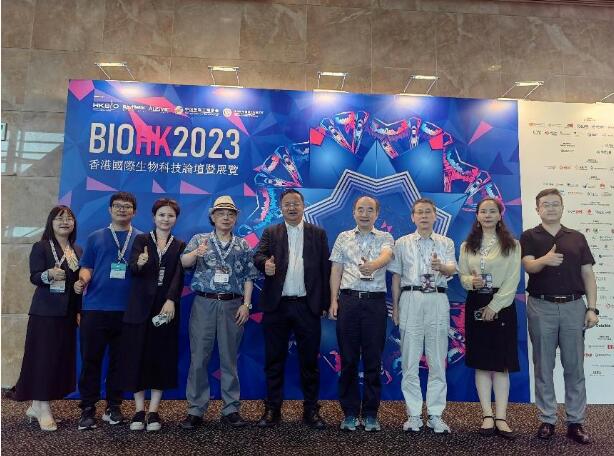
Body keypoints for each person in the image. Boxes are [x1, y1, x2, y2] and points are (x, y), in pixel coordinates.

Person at [520, 188, 598, 444]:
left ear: (562, 208)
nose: (551, 208)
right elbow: (529, 266)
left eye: (555, 204)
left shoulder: (577, 237)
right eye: (546, 204)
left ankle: (576, 422)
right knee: (543, 365)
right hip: (541, 306)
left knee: (574, 367)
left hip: (574, 307)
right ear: (538, 209)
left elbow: (588, 275)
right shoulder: (529, 236)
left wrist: (592, 308)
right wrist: (545, 259)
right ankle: (547, 419)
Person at [253, 189, 330, 429]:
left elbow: (325, 270)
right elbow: (258, 255)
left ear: (303, 206)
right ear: (281, 208)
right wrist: (264, 264)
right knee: (274, 359)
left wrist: (325, 303)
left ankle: (311, 410)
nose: (292, 207)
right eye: (287, 204)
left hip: (307, 306)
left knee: (309, 362)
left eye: (296, 203)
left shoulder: (317, 234)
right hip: (277, 306)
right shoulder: (271, 232)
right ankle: (272, 409)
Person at [179, 196, 257, 430]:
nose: (226, 217)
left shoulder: (243, 244)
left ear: (235, 218)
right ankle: (195, 409)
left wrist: (246, 304)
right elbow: (183, 262)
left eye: (230, 214)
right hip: (204, 302)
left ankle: (231, 408)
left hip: (233, 305)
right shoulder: (199, 239)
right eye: (221, 213)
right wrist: (197, 253)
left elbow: (249, 277)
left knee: (229, 358)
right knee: (199, 358)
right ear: (212, 217)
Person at [389, 198, 457, 434]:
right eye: (420, 212)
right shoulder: (402, 243)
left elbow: (452, 269)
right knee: (409, 360)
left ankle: (436, 414)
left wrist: (442, 267)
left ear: (435, 216)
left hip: (437, 298)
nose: (424, 216)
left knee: (437, 359)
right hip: (410, 298)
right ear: (413, 217)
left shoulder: (446, 242)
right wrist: (396, 307)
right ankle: (414, 415)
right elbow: (396, 276)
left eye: (428, 212)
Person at [74, 192, 141, 430]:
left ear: (134, 211)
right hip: (95, 308)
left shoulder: (142, 239)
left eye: (127, 206)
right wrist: (83, 280)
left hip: (128, 311)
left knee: (119, 362)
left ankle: (114, 406)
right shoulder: (95, 237)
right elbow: (87, 266)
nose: (122, 209)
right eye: (117, 206)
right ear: (110, 210)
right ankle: (87, 408)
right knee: (90, 360)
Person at [12, 206, 82, 431]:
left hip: (67, 314)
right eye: (59, 219)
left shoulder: (76, 250)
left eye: (69, 218)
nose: (65, 222)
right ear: (51, 223)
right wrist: (48, 274)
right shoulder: (41, 246)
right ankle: (43, 408)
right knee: (42, 359)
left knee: (57, 360)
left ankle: (36, 405)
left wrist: (78, 306)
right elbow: (34, 276)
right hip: (44, 314)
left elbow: (75, 283)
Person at [329, 196, 394, 432]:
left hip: (375, 304)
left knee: (373, 360)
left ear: (377, 214)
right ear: (353, 213)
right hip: (348, 302)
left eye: (370, 210)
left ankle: (370, 414)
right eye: (360, 209)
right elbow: (336, 269)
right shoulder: (343, 237)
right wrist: (333, 300)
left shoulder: (385, 237)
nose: (364, 214)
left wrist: (373, 265)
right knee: (348, 360)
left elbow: (387, 255)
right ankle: (349, 412)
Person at [120, 198, 186, 432]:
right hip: (139, 307)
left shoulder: (179, 244)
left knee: (161, 357)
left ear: (175, 219)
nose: (166, 219)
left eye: (170, 215)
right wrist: (140, 263)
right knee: (136, 356)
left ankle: (154, 411)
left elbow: (179, 275)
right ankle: (139, 410)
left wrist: (171, 300)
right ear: (154, 217)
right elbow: (132, 269)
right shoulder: (141, 240)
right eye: (162, 215)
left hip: (165, 307)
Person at [458, 198, 520, 439]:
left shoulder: (512, 245)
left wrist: (495, 306)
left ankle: (501, 417)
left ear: (500, 215)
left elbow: (513, 280)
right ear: (477, 215)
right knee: (482, 362)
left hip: (502, 304)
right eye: (483, 211)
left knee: (501, 364)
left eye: (492, 211)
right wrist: (470, 282)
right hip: (475, 301)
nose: (487, 215)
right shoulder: (467, 246)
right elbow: (463, 276)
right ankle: (486, 415)